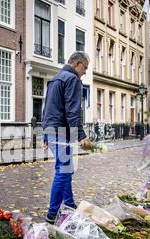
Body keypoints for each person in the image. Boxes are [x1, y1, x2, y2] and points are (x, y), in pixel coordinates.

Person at [42, 52, 92, 224]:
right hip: (61, 132)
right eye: (84, 68)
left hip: (52, 130)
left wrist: (44, 135)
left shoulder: (55, 79)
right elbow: (73, 111)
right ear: (77, 63)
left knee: (66, 169)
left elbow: (47, 108)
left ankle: (69, 206)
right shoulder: (72, 79)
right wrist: (81, 135)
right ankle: (51, 214)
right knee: (63, 170)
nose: (84, 72)